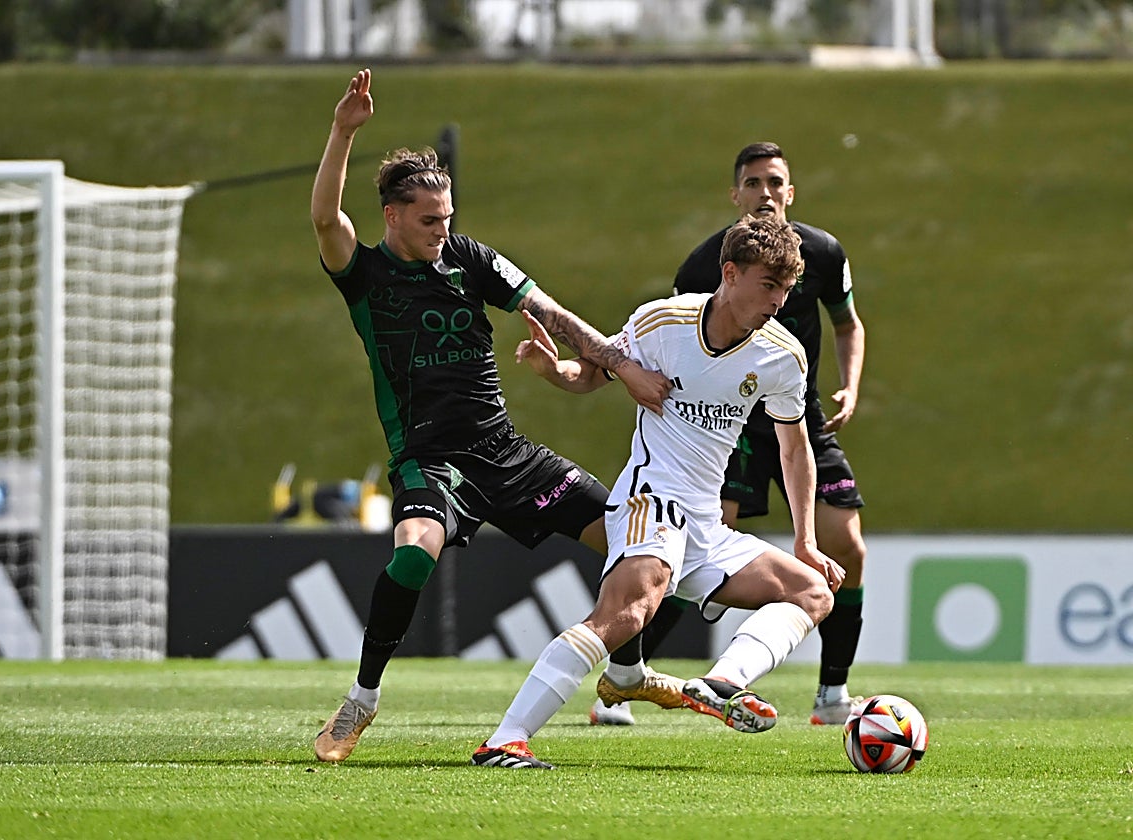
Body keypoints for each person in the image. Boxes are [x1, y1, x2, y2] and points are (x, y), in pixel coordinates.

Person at [310, 68, 671, 764]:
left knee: (630, 541)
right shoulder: (366, 276)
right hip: (430, 459)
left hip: (504, 451)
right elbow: (327, 219)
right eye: (428, 220)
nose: (442, 231)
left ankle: (625, 674)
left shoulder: (468, 259)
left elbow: (549, 311)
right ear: (392, 216)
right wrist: (343, 131)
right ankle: (362, 699)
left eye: (447, 218)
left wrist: (616, 362)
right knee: (413, 549)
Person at [471, 215, 846, 769]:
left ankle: (720, 683)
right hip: (652, 499)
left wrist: (806, 541)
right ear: (730, 274)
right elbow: (592, 375)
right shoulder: (662, 322)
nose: (778, 301)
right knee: (629, 611)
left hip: (707, 525)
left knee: (813, 592)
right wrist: (555, 372)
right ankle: (505, 740)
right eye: (769, 285)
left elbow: (795, 450)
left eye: (787, 289)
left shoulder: (782, 355)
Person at [590, 141, 868, 728]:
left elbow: (848, 324)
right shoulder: (703, 264)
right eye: (754, 183)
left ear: (791, 192)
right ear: (736, 194)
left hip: (800, 418)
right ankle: (626, 674)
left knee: (846, 545)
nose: (766, 193)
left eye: (776, 182)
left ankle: (832, 693)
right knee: (691, 546)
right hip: (727, 426)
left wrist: (851, 384)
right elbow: (672, 348)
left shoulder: (823, 251)